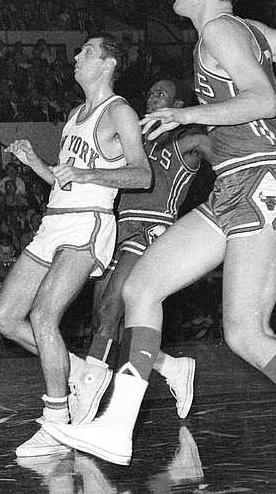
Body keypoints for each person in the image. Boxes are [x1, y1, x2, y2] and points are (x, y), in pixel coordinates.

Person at [45, 0, 276, 478]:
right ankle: (116, 426)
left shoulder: (220, 29)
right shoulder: (248, 29)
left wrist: (185, 114)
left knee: (245, 333)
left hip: (261, 182)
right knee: (140, 288)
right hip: (232, 185)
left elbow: (263, 99)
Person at [0, 34, 151, 457]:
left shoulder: (120, 112)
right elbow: (65, 179)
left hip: (89, 224)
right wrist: (35, 164)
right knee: (4, 317)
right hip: (54, 222)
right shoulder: (75, 114)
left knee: (44, 315)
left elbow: (141, 175)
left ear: (109, 63)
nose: (77, 57)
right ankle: (81, 372)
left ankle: (56, 421)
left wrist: (88, 176)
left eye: (87, 52)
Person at [70, 79, 211, 425]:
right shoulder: (135, 138)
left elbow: (221, 155)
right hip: (119, 227)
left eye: (160, 92)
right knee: (108, 321)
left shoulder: (187, 141)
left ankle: (87, 403)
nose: (151, 96)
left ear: (177, 103)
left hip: (153, 227)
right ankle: (171, 365)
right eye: (150, 91)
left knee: (110, 307)